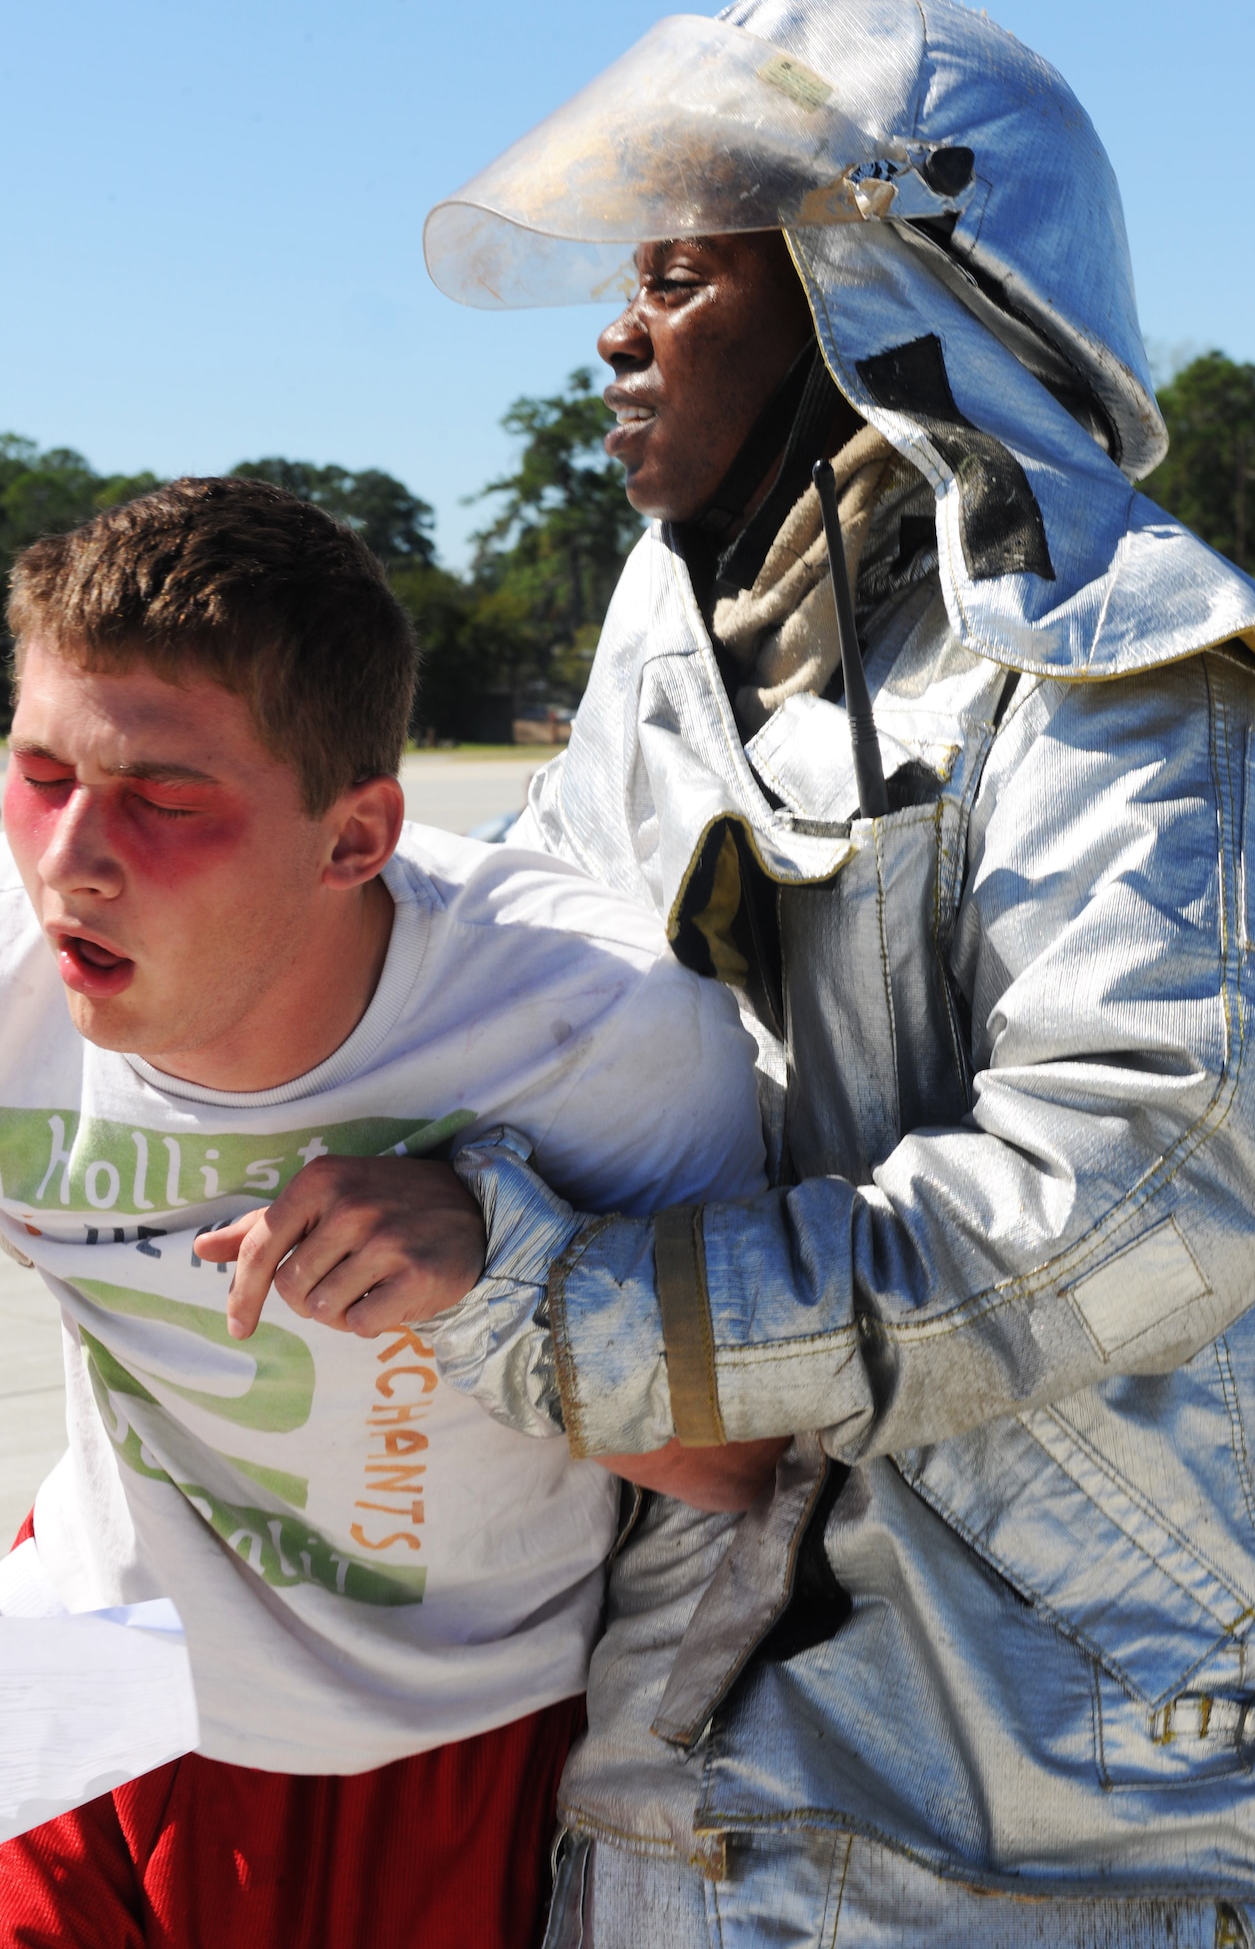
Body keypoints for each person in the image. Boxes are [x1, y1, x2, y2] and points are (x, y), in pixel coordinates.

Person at [416, 0, 1255, 1945]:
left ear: (887, 288)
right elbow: (492, 1006)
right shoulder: (679, 663)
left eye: (687, 277)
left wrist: (564, 1321)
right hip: (664, 1778)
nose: (616, 334)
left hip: (1027, 1834)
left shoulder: (1124, 687)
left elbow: (1134, 1183)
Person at [0, 476, 780, 1949]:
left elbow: (754, 1471)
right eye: (42, 774)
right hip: (83, 1670)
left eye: (164, 799)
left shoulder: (594, 1035)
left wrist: (508, 1274)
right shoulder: (16, 964)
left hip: (426, 1745)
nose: (69, 859)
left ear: (356, 838)